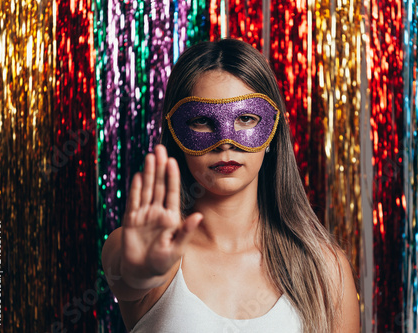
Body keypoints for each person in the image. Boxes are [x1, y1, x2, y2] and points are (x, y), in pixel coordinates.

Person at [101, 38, 360, 332]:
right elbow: (126, 277)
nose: (225, 142)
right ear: (175, 134)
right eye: (201, 121)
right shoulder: (148, 249)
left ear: (273, 129)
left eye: (247, 118)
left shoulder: (324, 268)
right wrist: (139, 273)